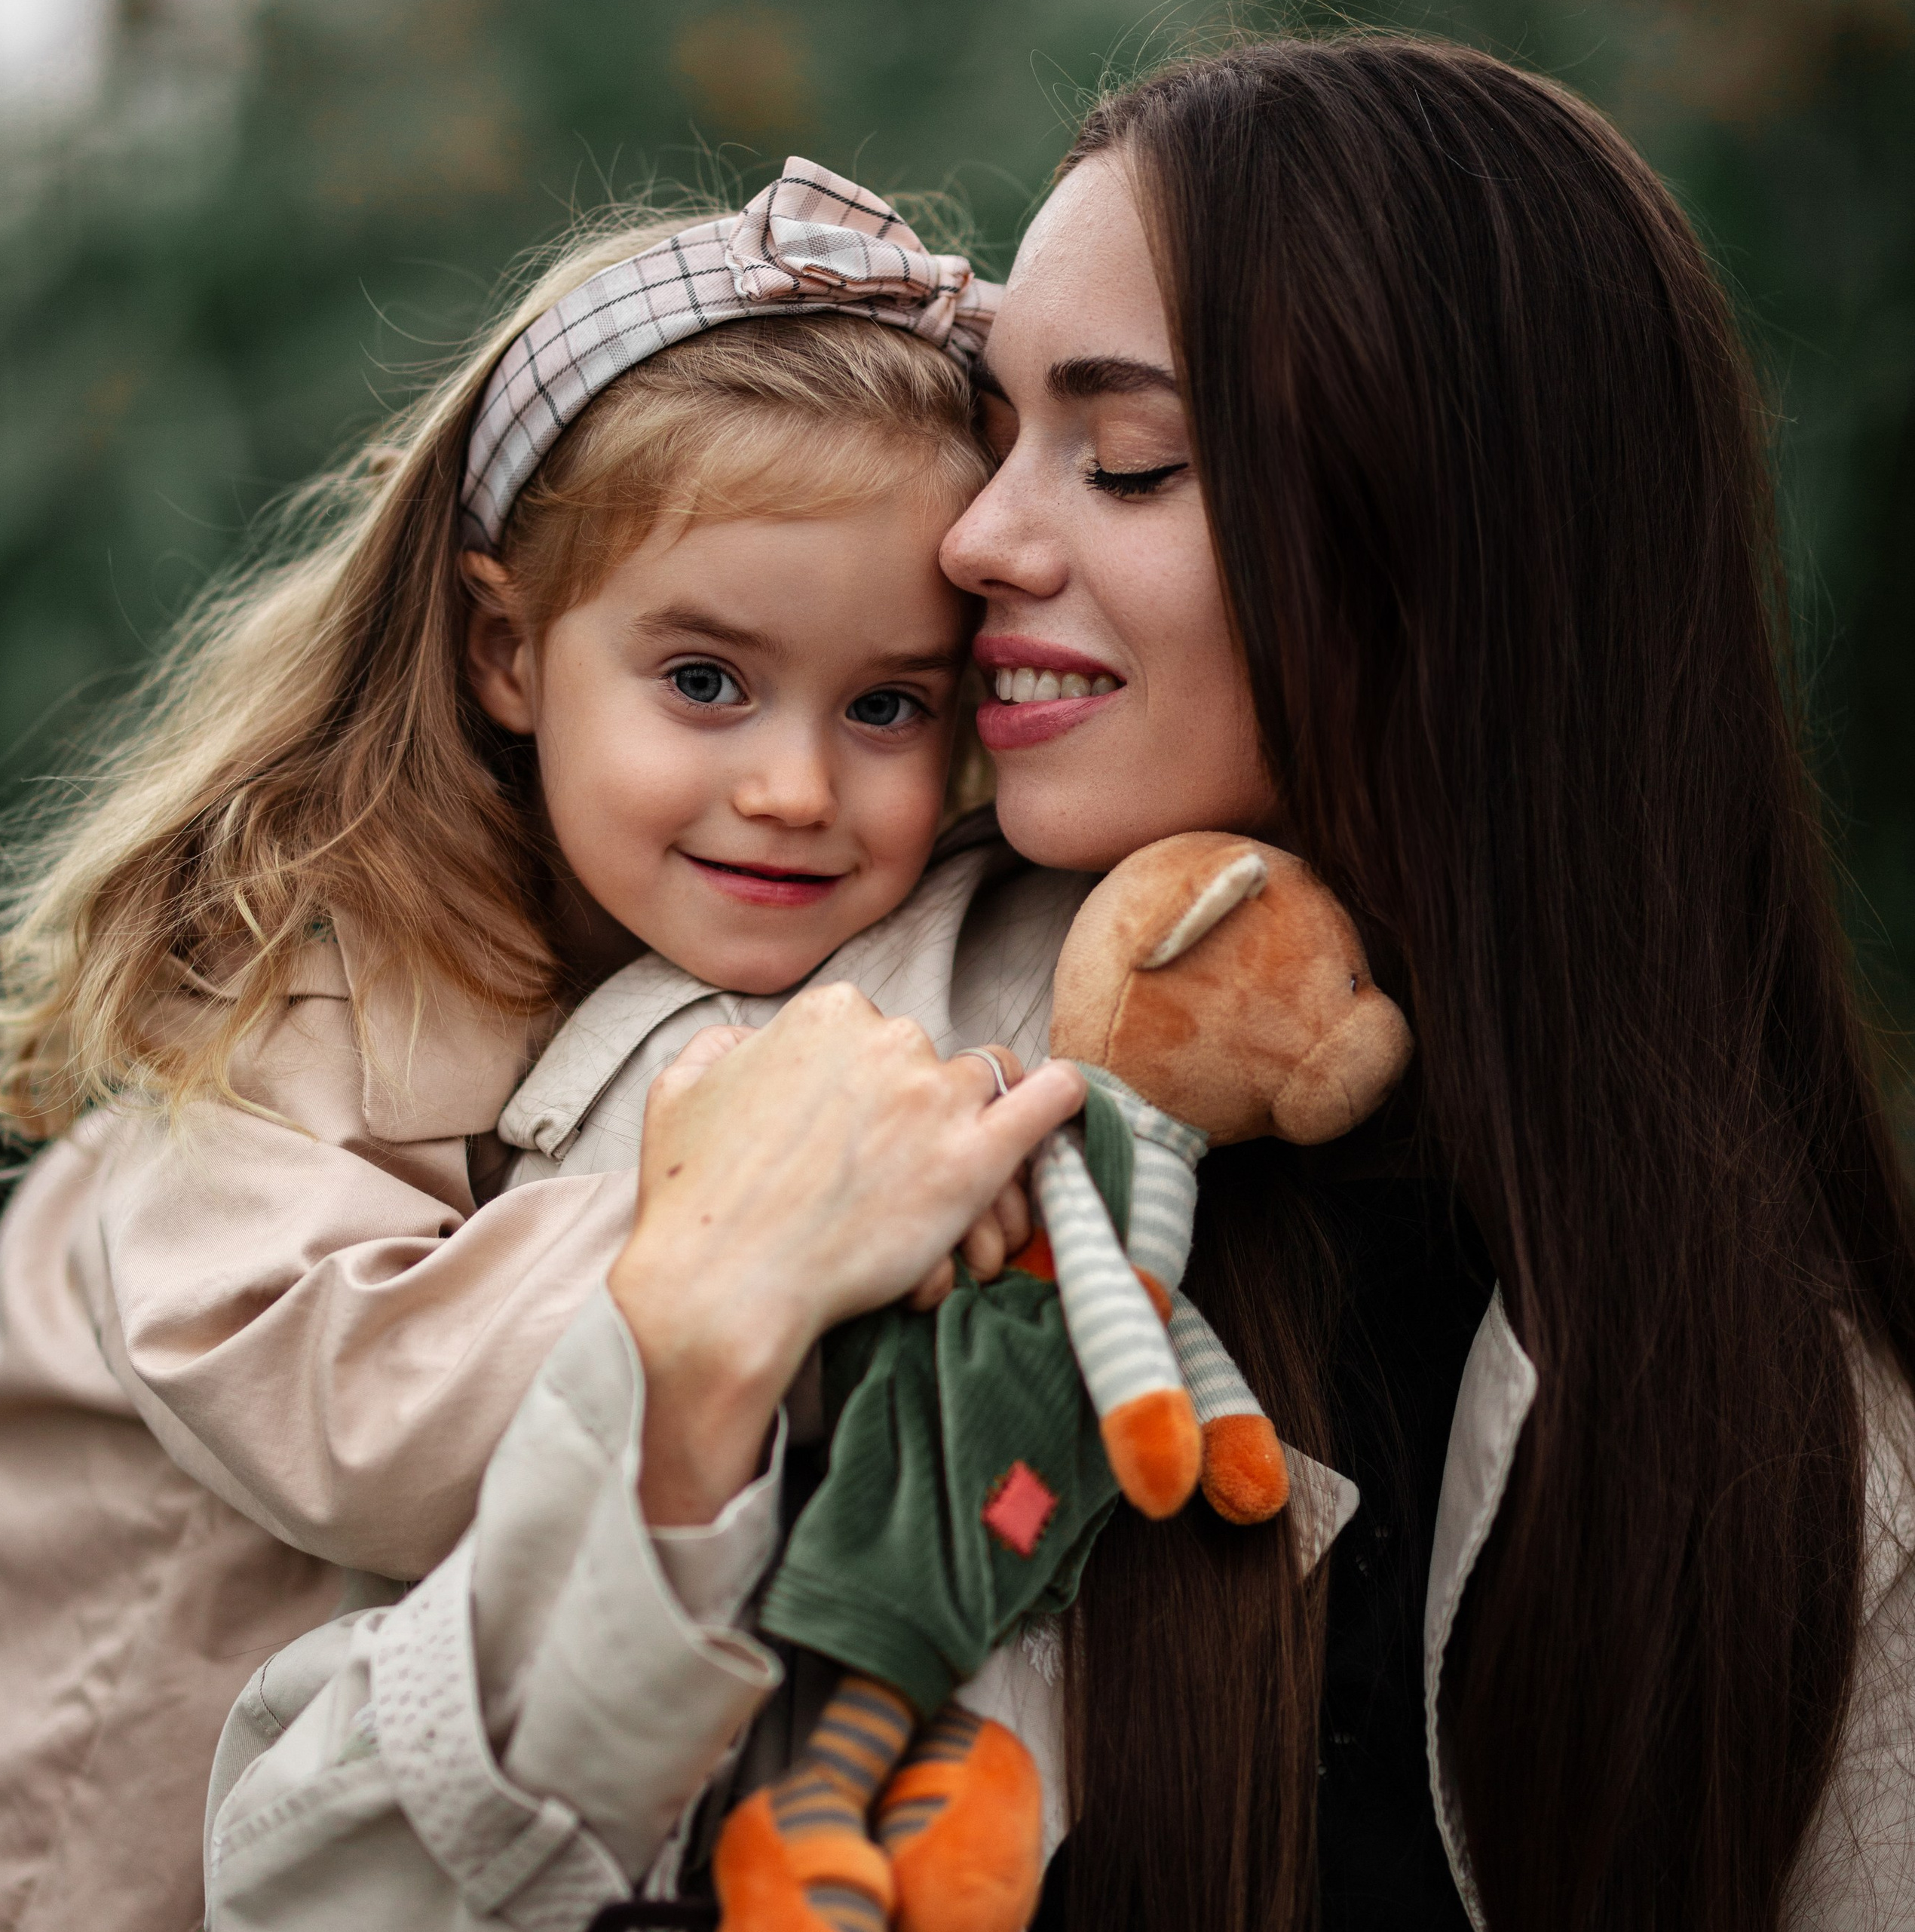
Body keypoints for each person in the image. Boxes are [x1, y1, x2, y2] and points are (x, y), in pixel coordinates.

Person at [207, 35, 1915, 1932]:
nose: (975, 538)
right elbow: (304, 1882)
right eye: (1003, 432)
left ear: (1445, 551)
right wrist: (677, 1407)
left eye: (1122, 461)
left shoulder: (1788, 1413)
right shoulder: (809, 1077)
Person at [0, 160, 1088, 1932]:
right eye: (705, 681)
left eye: (886, 703)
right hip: (111, 1818)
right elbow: (330, 1402)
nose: (791, 786)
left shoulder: (842, 952)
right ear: (508, 650)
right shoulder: (321, 958)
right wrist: (747, 1214)